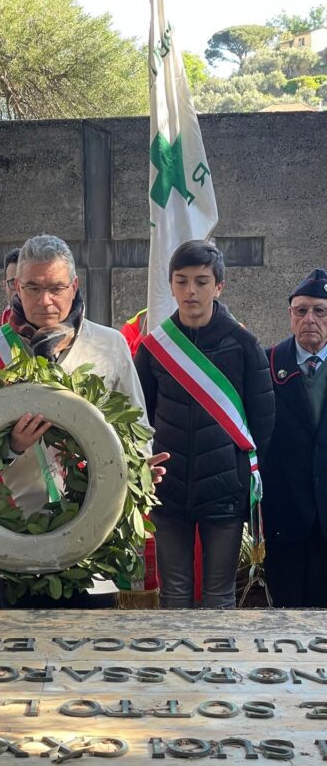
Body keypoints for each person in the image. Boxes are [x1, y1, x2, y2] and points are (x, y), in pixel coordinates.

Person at [0, 233, 165, 518]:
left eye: (56, 288)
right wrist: (11, 446)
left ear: (74, 286)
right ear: (17, 287)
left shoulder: (109, 345)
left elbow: (135, 422)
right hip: (13, 521)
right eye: (32, 288)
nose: (45, 301)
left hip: (97, 515)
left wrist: (141, 469)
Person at [134, 240, 274, 609]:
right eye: (181, 281)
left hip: (224, 491)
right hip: (168, 489)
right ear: (171, 284)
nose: (190, 291)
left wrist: (241, 480)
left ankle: (218, 669)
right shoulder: (154, 348)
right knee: (174, 596)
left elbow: (262, 423)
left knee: (220, 597)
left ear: (219, 286)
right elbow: (140, 417)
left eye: (201, 281)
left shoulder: (244, 345)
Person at [261, 267, 327, 607]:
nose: (310, 319)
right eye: (301, 311)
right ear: (290, 316)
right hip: (285, 511)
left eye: (320, 310)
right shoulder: (269, 362)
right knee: (284, 618)